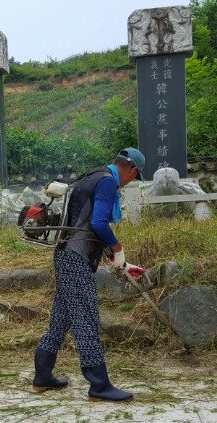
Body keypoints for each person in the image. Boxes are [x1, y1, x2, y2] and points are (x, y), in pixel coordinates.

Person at [32, 148, 148, 402]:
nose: (130, 182)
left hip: (65, 254)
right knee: (86, 320)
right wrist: (118, 248)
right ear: (131, 169)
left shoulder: (91, 176)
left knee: (61, 319)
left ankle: (42, 376)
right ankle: (99, 385)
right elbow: (98, 223)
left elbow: (84, 226)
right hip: (76, 259)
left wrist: (120, 261)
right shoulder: (107, 182)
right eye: (134, 177)